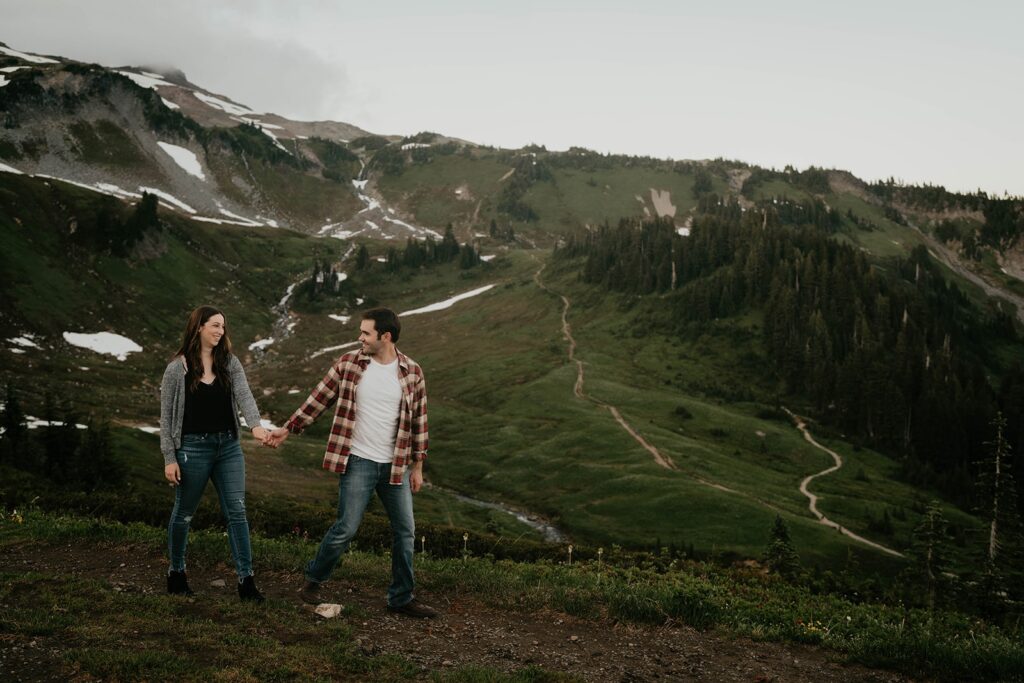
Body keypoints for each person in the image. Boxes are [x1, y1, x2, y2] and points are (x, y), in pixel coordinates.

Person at [266, 307, 436, 618]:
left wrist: (418, 465)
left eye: (366, 333)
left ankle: (400, 598)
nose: (360, 338)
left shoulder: (412, 372)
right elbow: (319, 398)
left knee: (405, 531)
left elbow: (419, 422)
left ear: (385, 337)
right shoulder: (349, 364)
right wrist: (288, 429)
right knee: (346, 527)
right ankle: (313, 580)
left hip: (395, 465)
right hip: (358, 460)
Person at [160, 305, 270, 602]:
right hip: (192, 448)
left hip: (228, 447)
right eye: (215, 325)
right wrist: (170, 458)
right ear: (199, 327)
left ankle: (246, 582)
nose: (221, 331)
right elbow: (166, 417)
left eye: (223, 326)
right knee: (184, 514)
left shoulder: (229, 363)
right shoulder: (177, 368)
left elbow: (244, 396)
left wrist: (256, 426)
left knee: (237, 513)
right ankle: (176, 573)